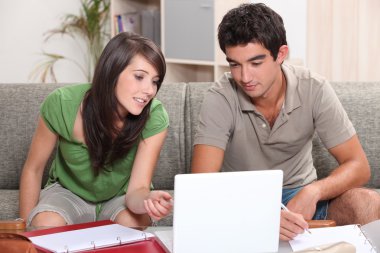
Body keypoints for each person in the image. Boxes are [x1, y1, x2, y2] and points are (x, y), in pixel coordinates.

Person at [191, 3, 380, 241]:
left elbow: (359, 166)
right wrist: (259, 216)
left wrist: (314, 191)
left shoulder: (314, 87)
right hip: (242, 202)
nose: (244, 77)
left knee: (368, 202)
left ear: (281, 54)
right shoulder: (220, 97)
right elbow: (200, 187)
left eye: (256, 63)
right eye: (235, 64)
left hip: (302, 198)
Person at [19, 32, 173, 228]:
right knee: (45, 223)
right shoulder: (61, 103)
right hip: (68, 193)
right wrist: (24, 232)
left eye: (155, 81)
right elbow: (33, 169)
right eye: (139, 76)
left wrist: (148, 200)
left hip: (122, 197)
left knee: (133, 223)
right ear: (112, 72)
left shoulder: (155, 116)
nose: (150, 90)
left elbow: (137, 190)